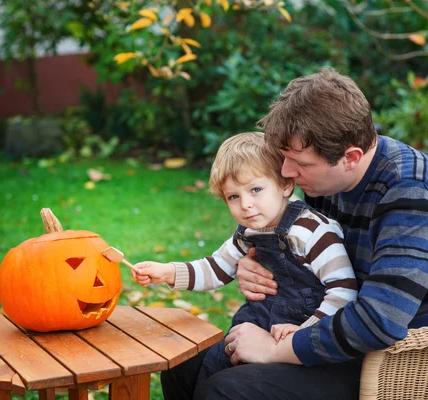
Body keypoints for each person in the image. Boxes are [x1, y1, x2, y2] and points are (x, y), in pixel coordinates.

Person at [160, 67, 428, 400]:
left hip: (418, 367)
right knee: (183, 371)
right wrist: (254, 261)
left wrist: (277, 350)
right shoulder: (327, 179)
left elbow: (379, 322)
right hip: (339, 331)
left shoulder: (411, 196)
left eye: (298, 163)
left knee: (228, 391)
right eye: (285, 159)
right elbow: (310, 250)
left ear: (351, 157)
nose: (287, 172)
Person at [131, 131, 358, 399]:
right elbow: (215, 268)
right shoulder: (248, 232)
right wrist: (168, 272)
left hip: (301, 342)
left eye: (255, 190)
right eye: (233, 197)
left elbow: (344, 291)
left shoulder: (313, 232)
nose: (246, 206)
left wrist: (304, 332)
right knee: (202, 370)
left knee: (223, 387)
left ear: (285, 185)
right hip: (252, 329)